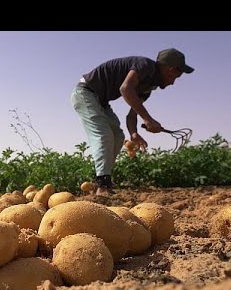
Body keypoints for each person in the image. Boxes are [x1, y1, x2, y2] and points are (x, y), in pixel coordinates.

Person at [71, 48, 194, 195]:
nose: (173, 82)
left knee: (118, 136)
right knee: (103, 135)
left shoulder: (148, 87)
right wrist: (148, 119)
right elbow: (125, 89)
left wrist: (134, 133)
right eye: (176, 76)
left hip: (101, 102)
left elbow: (131, 115)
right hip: (86, 93)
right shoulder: (145, 65)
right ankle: (103, 185)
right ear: (171, 69)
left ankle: (101, 181)